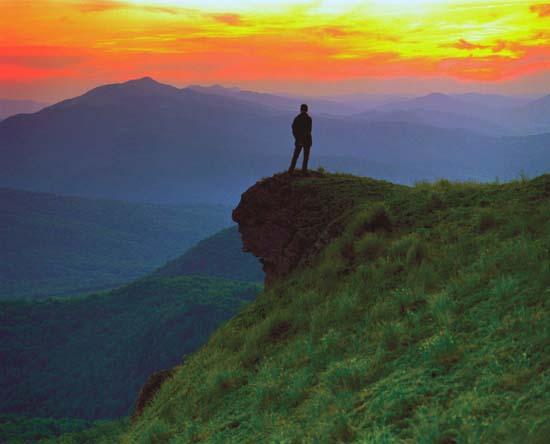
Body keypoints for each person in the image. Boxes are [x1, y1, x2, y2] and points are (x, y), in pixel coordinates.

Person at [289, 103, 312, 173]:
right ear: (307, 110)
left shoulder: (297, 118)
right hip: (307, 141)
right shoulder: (309, 119)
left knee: (295, 156)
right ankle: (304, 171)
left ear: (300, 109)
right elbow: (309, 130)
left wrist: (298, 139)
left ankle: (291, 170)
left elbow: (294, 130)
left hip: (299, 141)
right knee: (306, 157)